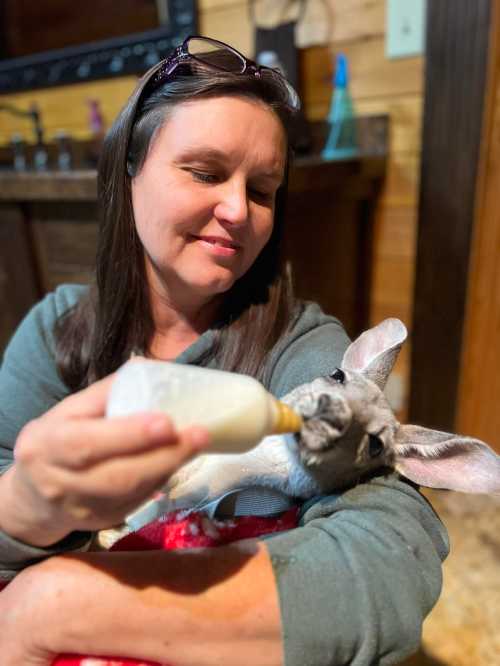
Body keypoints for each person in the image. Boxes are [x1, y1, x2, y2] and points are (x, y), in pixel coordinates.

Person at [0, 36, 448, 665]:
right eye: (206, 173)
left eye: (262, 191)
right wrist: (25, 506)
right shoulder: (55, 333)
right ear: (128, 173)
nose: (238, 210)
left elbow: (392, 551)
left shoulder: (301, 346)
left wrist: (53, 604)